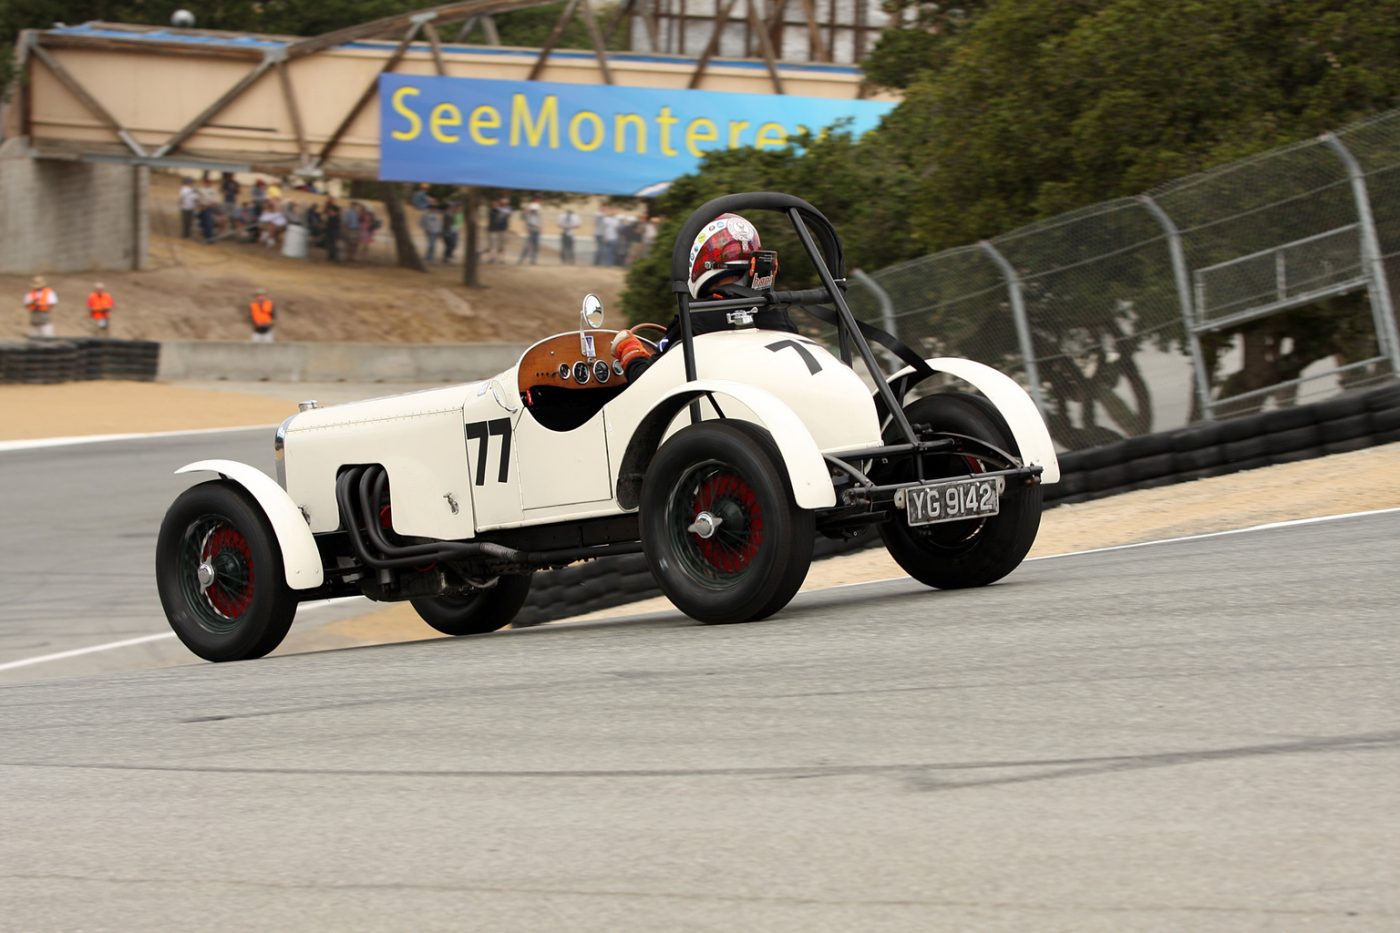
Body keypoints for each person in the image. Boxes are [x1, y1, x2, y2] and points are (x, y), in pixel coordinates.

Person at [610, 213, 792, 381]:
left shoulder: (696, 317)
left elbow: (646, 381)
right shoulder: (779, 315)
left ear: (702, 262)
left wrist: (629, 351)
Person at [486, 197, 511, 262]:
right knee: (493, 245)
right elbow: (496, 210)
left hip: (502, 229)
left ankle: (501, 259)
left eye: (505, 203)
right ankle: (493, 258)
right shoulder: (493, 211)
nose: (503, 204)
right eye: (502, 203)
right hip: (495, 229)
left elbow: (508, 212)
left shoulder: (506, 210)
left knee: (502, 245)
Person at [421, 198, 444, 262]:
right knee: (431, 244)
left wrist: (440, 231)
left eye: (434, 208)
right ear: (430, 208)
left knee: (433, 245)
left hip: (436, 231)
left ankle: (430, 257)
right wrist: (426, 229)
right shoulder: (425, 214)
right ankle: (428, 257)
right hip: (430, 231)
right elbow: (422, 223)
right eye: (433, 208)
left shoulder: (436, 214)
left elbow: (439, 223)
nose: (434, 209)